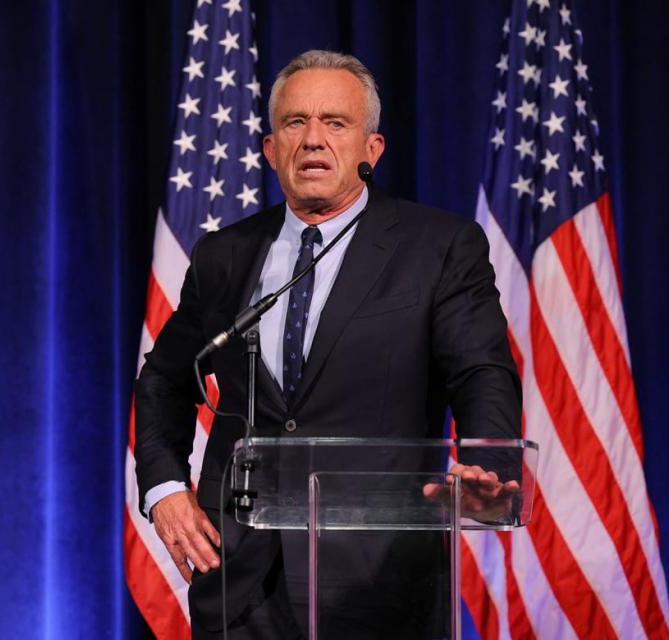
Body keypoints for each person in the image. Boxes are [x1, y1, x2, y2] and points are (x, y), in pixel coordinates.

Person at [134, 50, 521, 638]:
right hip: (239, 578)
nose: (313, 139)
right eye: (295, 123)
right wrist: (165, 488)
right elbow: (166, 377)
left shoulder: (438, 247)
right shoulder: (225, 255)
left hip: (379, 582)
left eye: (335, 123)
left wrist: (489, 465)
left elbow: (481, 373)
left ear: (372, 148)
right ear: (270, 150)